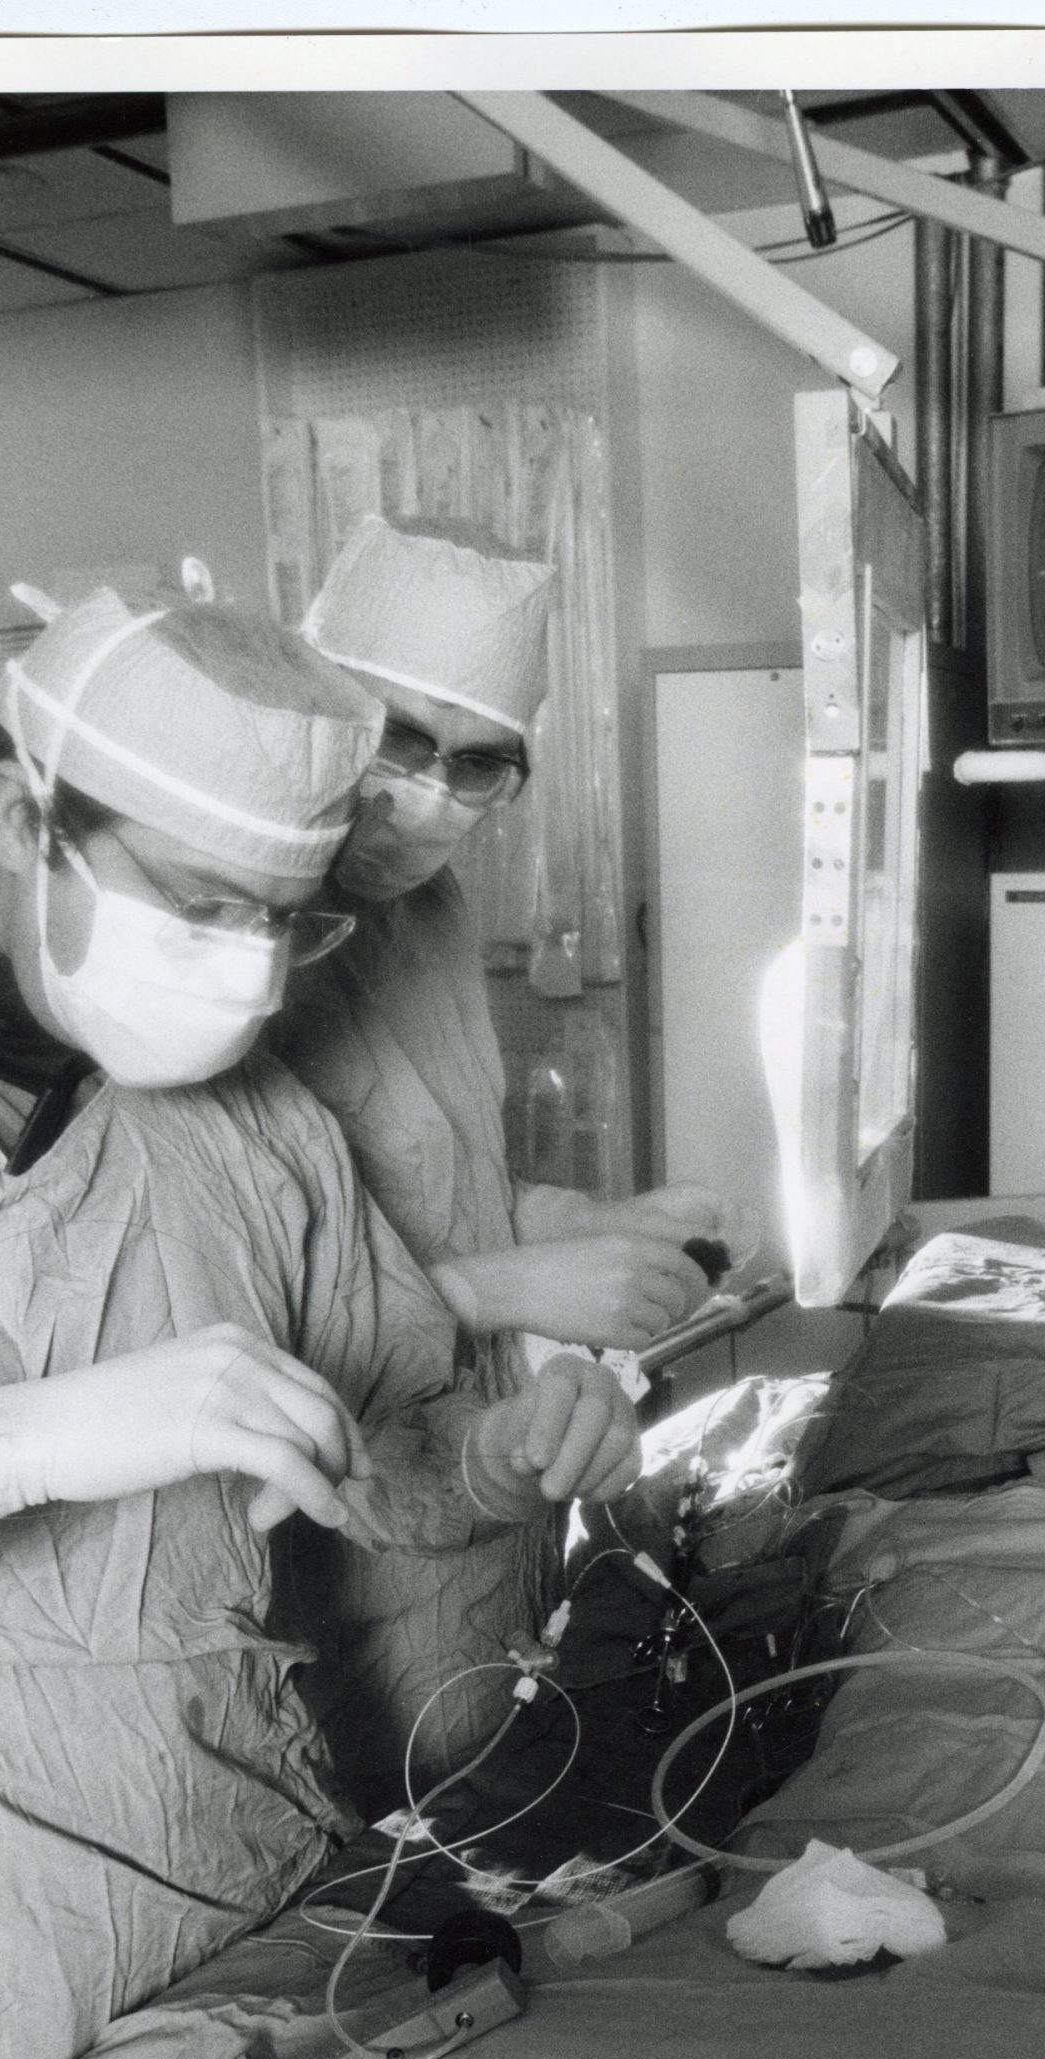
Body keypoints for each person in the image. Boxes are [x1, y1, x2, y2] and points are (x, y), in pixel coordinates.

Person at [0, 588, 640, 2059]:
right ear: (17, 818)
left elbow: (379, 1437)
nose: (254, 979)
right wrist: (17, 1441)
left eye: (288, 922)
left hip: (240, 1887)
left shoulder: (254, 1124)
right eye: (205, 907)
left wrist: (504, 1450)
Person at [271, 515, 749, 1758]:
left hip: (478, 1520)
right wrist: (498, 1287)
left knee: (502, 1787)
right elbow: (231, 1308)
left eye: (479, 762)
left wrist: (579, 1221)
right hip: (330, 1555)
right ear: (317, 702)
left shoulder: (426, 911)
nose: (432, 792)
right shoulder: (245, 947)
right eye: (399, 735)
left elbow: (434, 1170)